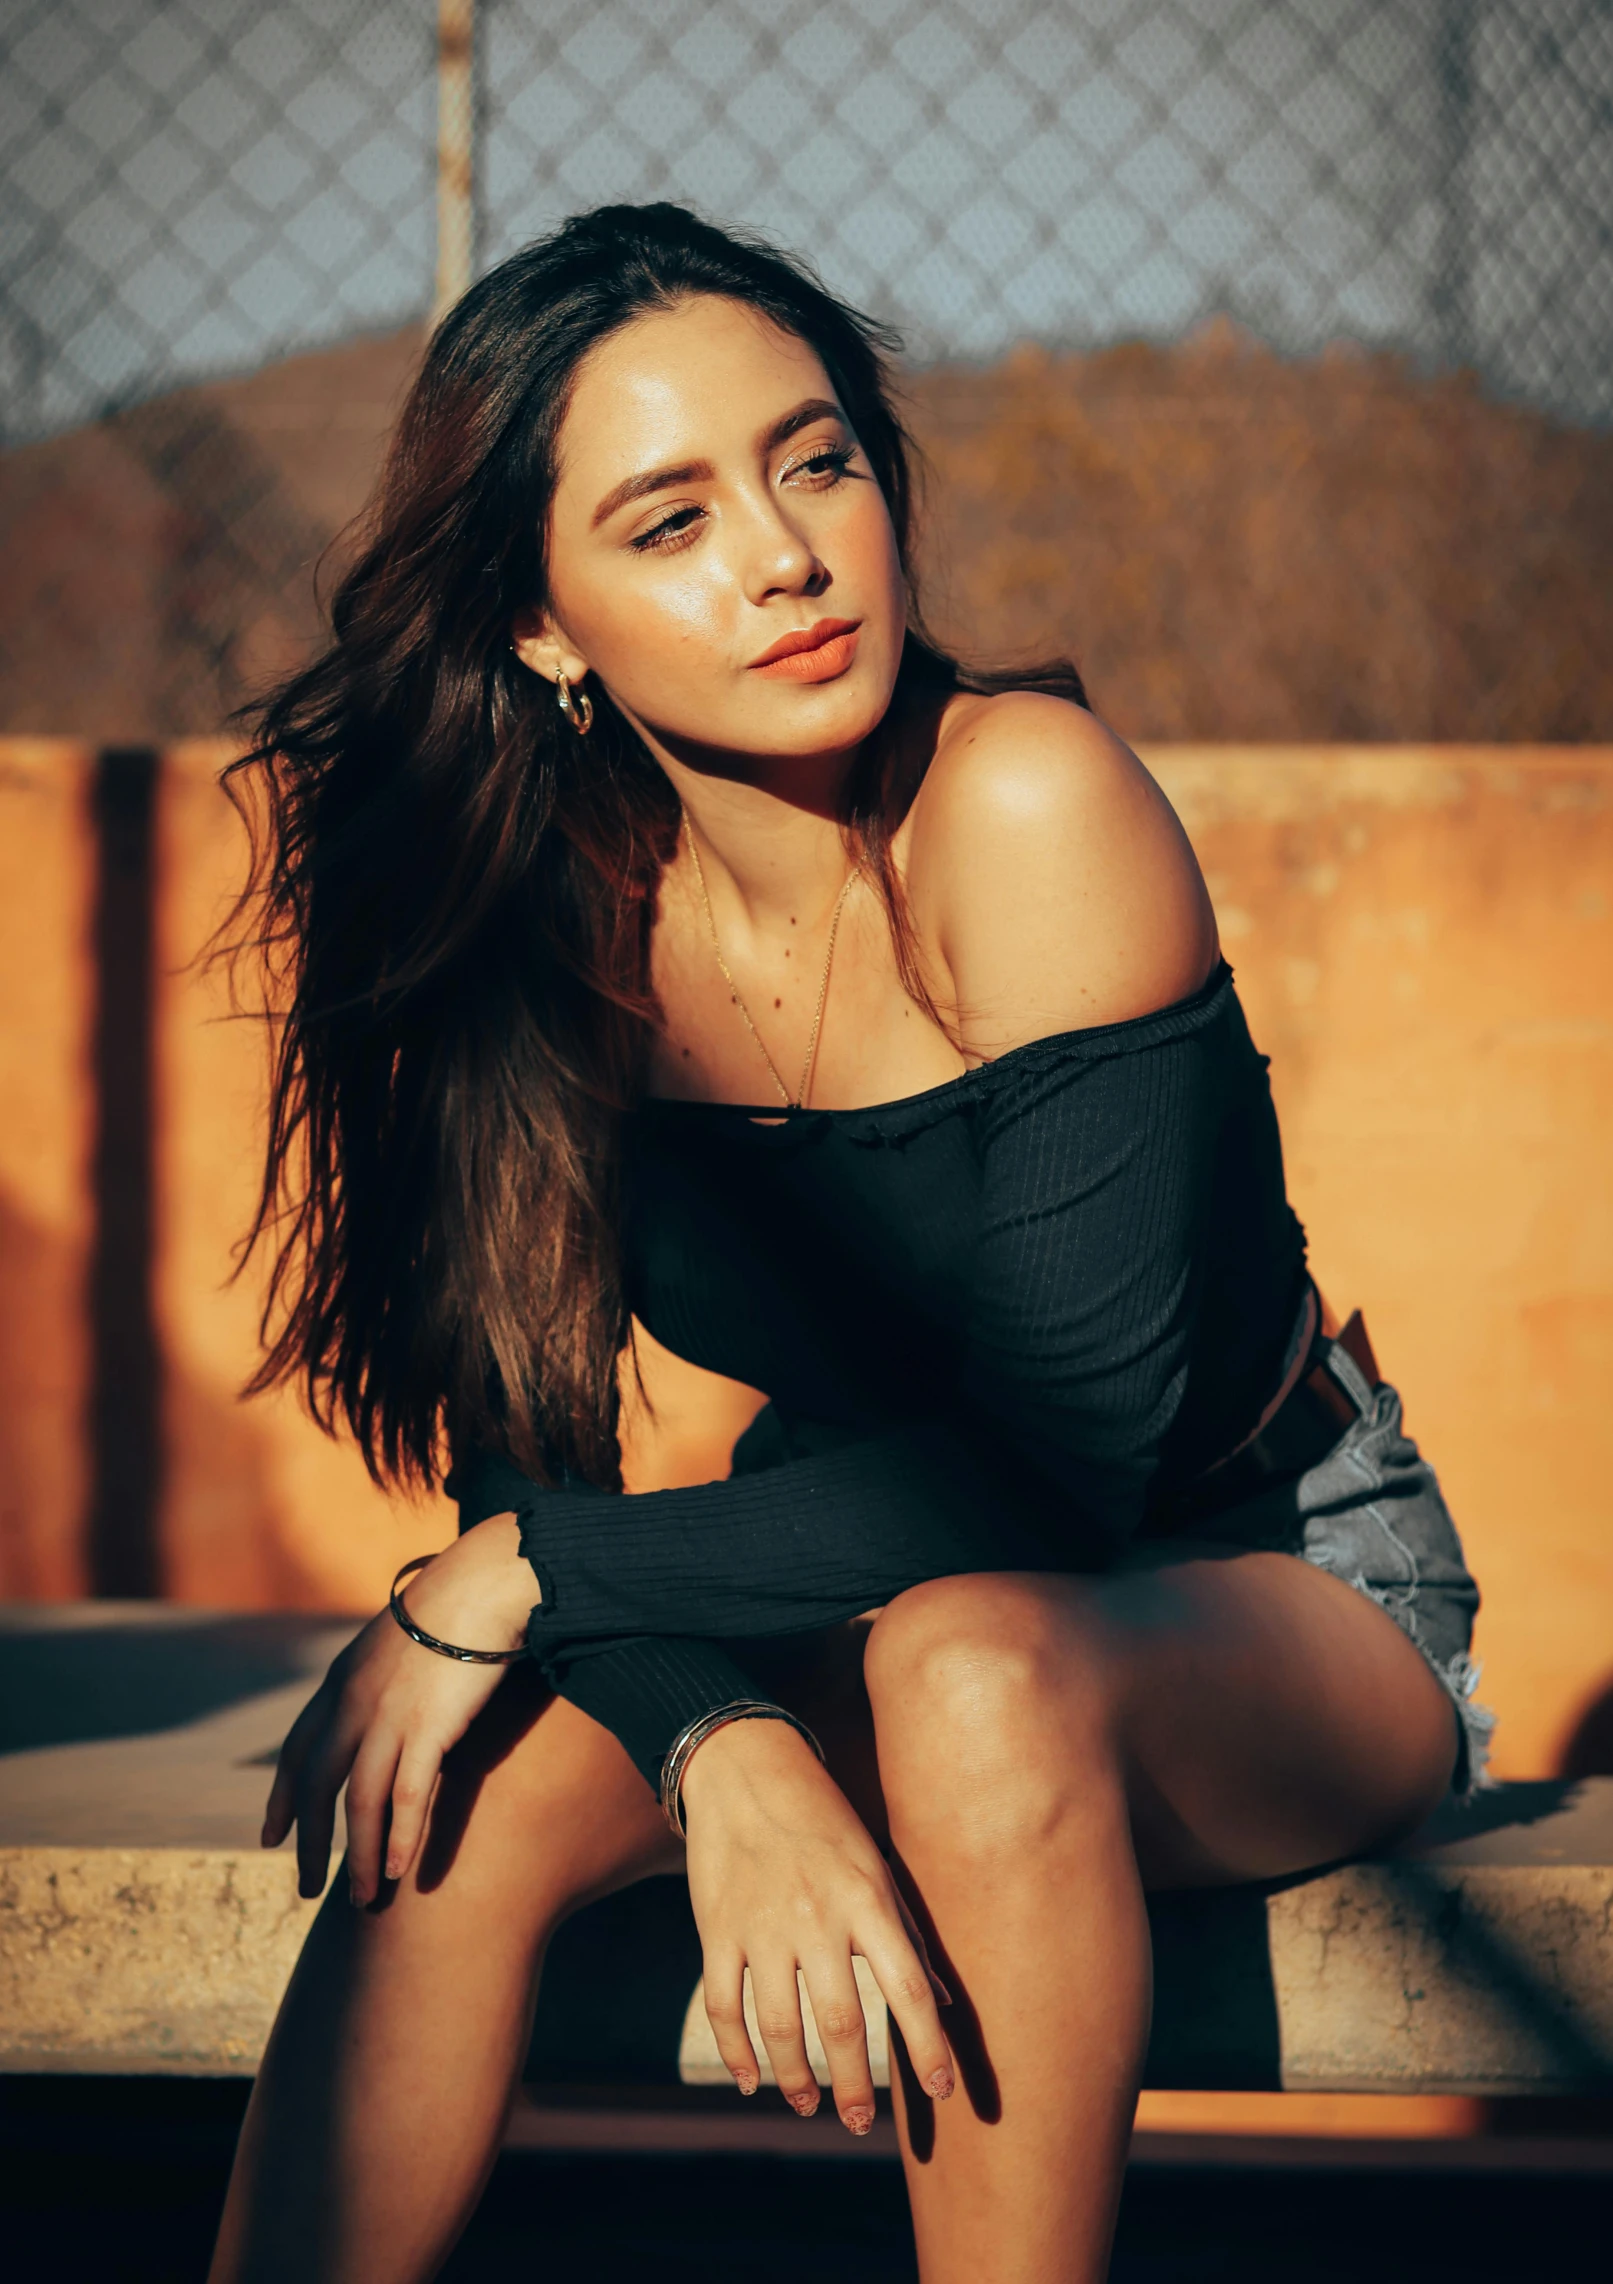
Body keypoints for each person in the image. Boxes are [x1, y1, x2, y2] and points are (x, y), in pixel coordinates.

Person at [208, 203, 1488, 2284]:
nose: (785, 555)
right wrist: (721, 1745)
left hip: (1256, 1570)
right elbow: (526, 1464)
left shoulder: (1024, 803)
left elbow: (1055, 1464)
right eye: (667, 518)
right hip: (859, 1568)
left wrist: (534, 1570)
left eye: (815, 462)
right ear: (544, 625)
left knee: (966, 1666)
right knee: (439, 1794)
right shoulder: (536, 915)